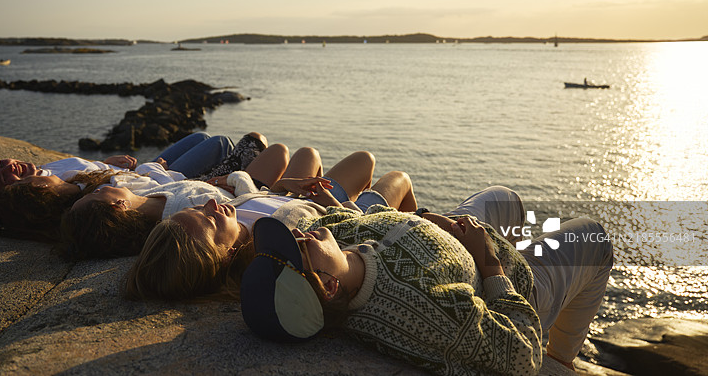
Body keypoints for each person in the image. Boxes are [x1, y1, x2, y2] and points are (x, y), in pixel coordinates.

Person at [240, 189, 613, 375]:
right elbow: (521, 354)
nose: (301, 235)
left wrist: (424, 217)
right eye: (300, 250)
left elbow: (373, 217)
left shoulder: (333, 244)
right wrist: (490, 263)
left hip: (452, 230)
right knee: (595, 238)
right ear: (330, 287)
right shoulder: (427, 313)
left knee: (505, 198)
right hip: (511, 280)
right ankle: (563, 359)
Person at [122, 160, 422, 301]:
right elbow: (358, 233)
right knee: (399, 177)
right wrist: (334, 203)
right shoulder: (282, 243)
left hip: (299, 194)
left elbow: (259, 201)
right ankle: (422, 231)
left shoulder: (231, 218)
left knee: (362, 160)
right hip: (340, 210)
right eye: (209, 219)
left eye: (198, 208)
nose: (211, 204)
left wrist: (282, 187)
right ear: (224, 256)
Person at [0, 134, 272, 243]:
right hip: (178, 179)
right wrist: (152, 169)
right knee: (234, 143)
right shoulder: (93, 201)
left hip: (164, 175)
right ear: (40, 191)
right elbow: (169, 190)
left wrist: (113, 165)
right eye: (6, 179)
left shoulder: (75, 183)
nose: (15, 174)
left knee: (207, 138)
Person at [57, 142, 297, 260]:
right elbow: (244, 203)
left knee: (264, 147)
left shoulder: (153, 201)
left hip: (229, 187)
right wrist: (237, 179)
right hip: (249, 192)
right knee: (285, 151)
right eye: (96, 194)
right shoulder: (189, 212)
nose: (99, 189)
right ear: (119, 207)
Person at [0, 131, 266, 208]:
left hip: (134, 169)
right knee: (219, 143)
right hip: (150, 178)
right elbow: (104, 189)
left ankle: (240, 168)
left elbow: (91, 170)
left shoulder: (46, 167)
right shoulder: (46, 186)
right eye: (3, 177)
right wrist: (150, 168)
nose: (9, 167)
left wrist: (108, 161)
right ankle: (244, 173)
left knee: (199, 136)